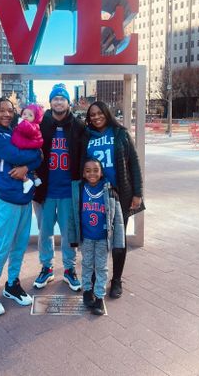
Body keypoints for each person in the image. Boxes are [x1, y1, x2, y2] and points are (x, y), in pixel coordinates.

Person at [0, 97, 42, 316]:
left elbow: (39, 156)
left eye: (10, 110)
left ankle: (12, 284)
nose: (7, 114)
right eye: (1, 111)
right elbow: (16, 154)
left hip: (24, 198)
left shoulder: (15, 132)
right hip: (7, 197)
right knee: (2, 245)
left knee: (20, 244)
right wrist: (31, 156)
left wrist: (26, 165)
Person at [82, 100, 144, 299]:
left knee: (118, 239)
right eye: (92, 114)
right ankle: (92, 276)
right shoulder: (85, 136)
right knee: (93, 238)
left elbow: (134, 163)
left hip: (119, 195)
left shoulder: (120, 134)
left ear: (107, 113)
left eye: (100, 113)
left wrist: (137, 193)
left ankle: (116, 279)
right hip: (95, 195)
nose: (96, 117)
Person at [33, 83, 85, 291]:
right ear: (51, 102)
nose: (58, 101)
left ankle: (69, 269)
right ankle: (46, 267)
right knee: (44, 232)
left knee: (68, 233)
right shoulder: (41, 125)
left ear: (68, 102)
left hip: (68, 190)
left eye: (62, 98)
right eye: (55, 98)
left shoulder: (78, 126)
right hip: (46, 190)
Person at [68, 158, 125, 315]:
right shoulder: (80, 190)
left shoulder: (110, 192)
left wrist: (118, 242)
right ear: (83, 173)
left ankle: (99, 296)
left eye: (95, 170)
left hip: (102, 239)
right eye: (88, 170)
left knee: (101, 267)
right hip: (86, 238)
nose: (91, 173)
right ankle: (87, 290)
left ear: (101, 172)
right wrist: (73, 238)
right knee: (86, 265)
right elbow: (73, 216)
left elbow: (118, 220)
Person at [11, 103, 44, 193]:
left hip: (26, 147)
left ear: (35, 118)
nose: (26, 117)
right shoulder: (27, 125)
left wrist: (21, 122)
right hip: (25, 146)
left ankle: (26, 180)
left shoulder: (32, 126)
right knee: (28, 166)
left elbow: (28, 130)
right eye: (24, 114)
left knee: (17, 166)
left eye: (30, 115)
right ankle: (36, 179)